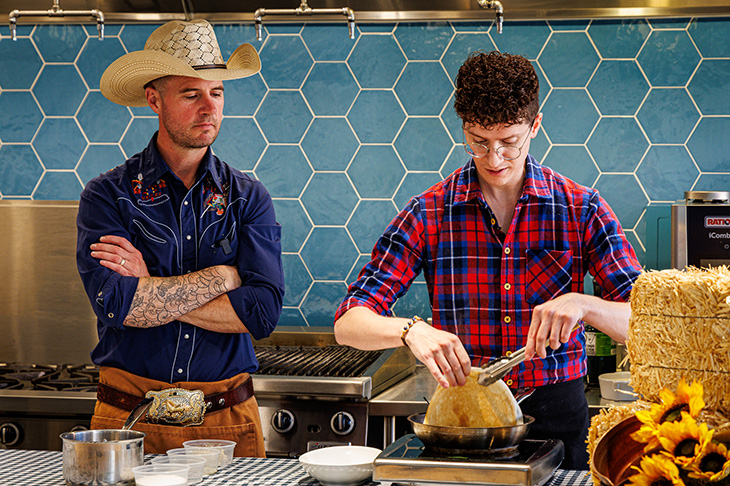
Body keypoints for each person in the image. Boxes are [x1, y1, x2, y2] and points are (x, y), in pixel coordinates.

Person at [333, 50, 642, 469]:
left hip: (557, 416)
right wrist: (410, 331)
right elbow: (348, 324)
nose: (494, 159)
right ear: (463, 128)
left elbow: (643, 324)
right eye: (479, 142)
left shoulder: (581, 207)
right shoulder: (428, 212)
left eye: (509, 143)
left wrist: (584, 304)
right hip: (462, 424)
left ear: (535, 126)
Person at [76, 19, 284, 456]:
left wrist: (150, 287)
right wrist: (225, 277)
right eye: (191, 94)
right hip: (128, 422)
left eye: (217, 93)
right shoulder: (107, 195)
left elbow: (262, 314)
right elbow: (118, 304)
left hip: (228, 421)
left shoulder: (249, 196)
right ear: (154, 99)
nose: (209, 108)